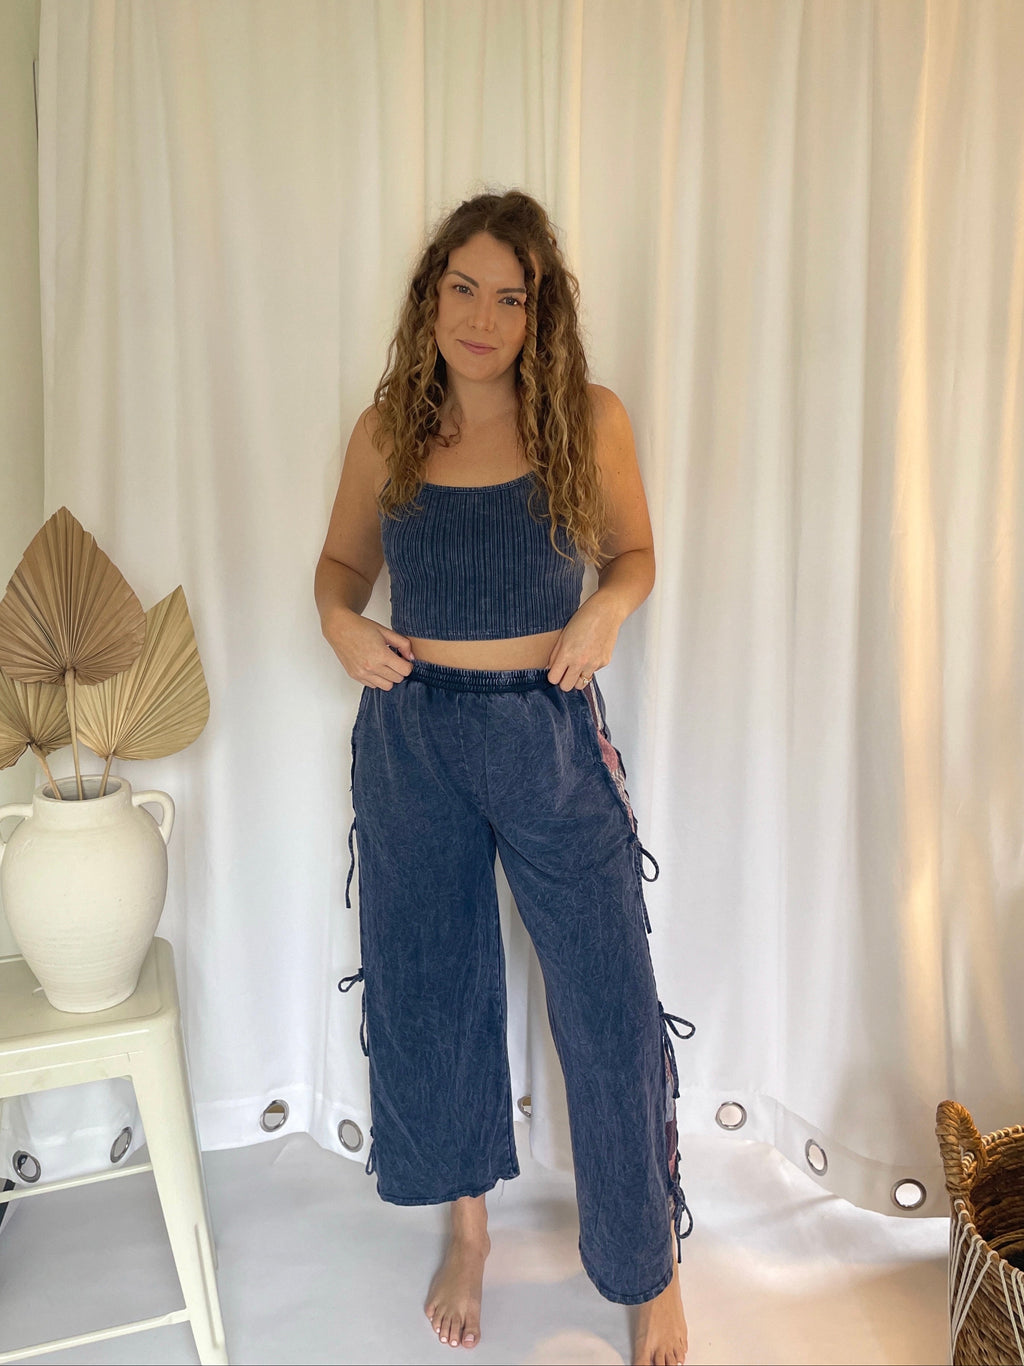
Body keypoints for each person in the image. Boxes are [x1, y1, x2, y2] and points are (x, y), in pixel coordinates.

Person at [315, 190, 692, 1366]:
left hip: (546, 729)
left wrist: (606, 612)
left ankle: (647, 1265)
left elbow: (633, 553)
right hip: (412, 734)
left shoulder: (589, 418)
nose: (482, 316)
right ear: (432, 295)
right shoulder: (387, 430)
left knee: (608, 998)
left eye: (510, 296)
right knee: (432, 988)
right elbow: (336, 565)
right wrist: (339, 624)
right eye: (462, 288)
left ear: (541, 315)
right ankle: (467, 1232)